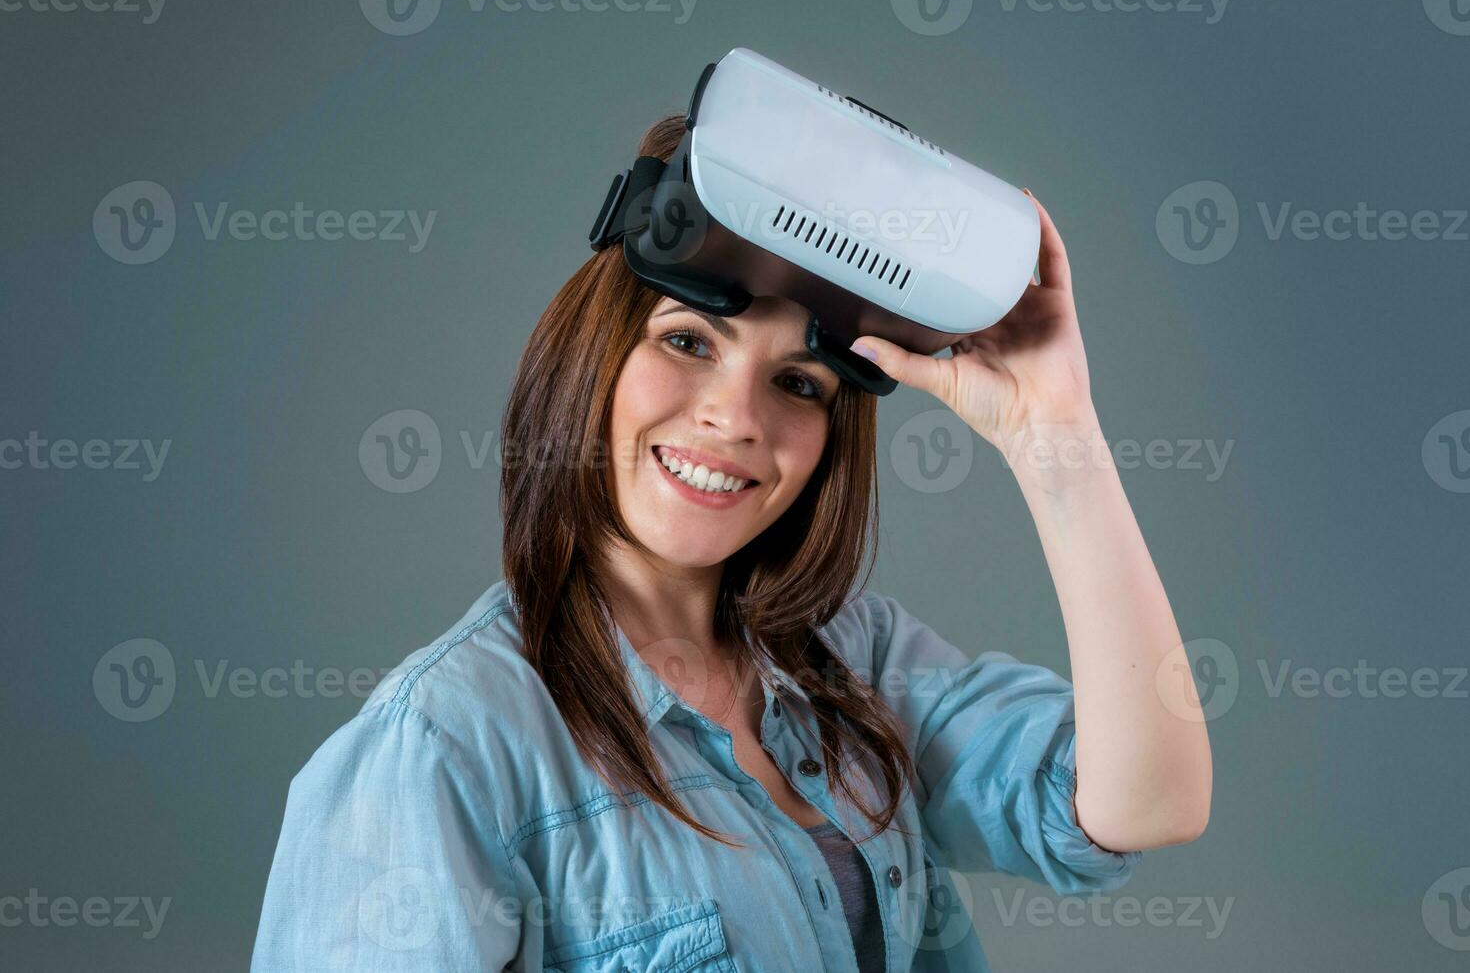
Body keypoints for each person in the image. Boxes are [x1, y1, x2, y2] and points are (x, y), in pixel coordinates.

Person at [250, 114, 1212, 972]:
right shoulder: (444, 750)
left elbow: (1147, 804)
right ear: (595, 352)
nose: (736, 419)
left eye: (798, 383)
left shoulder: (857, 662)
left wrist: (1058, 436)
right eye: (689, 342)